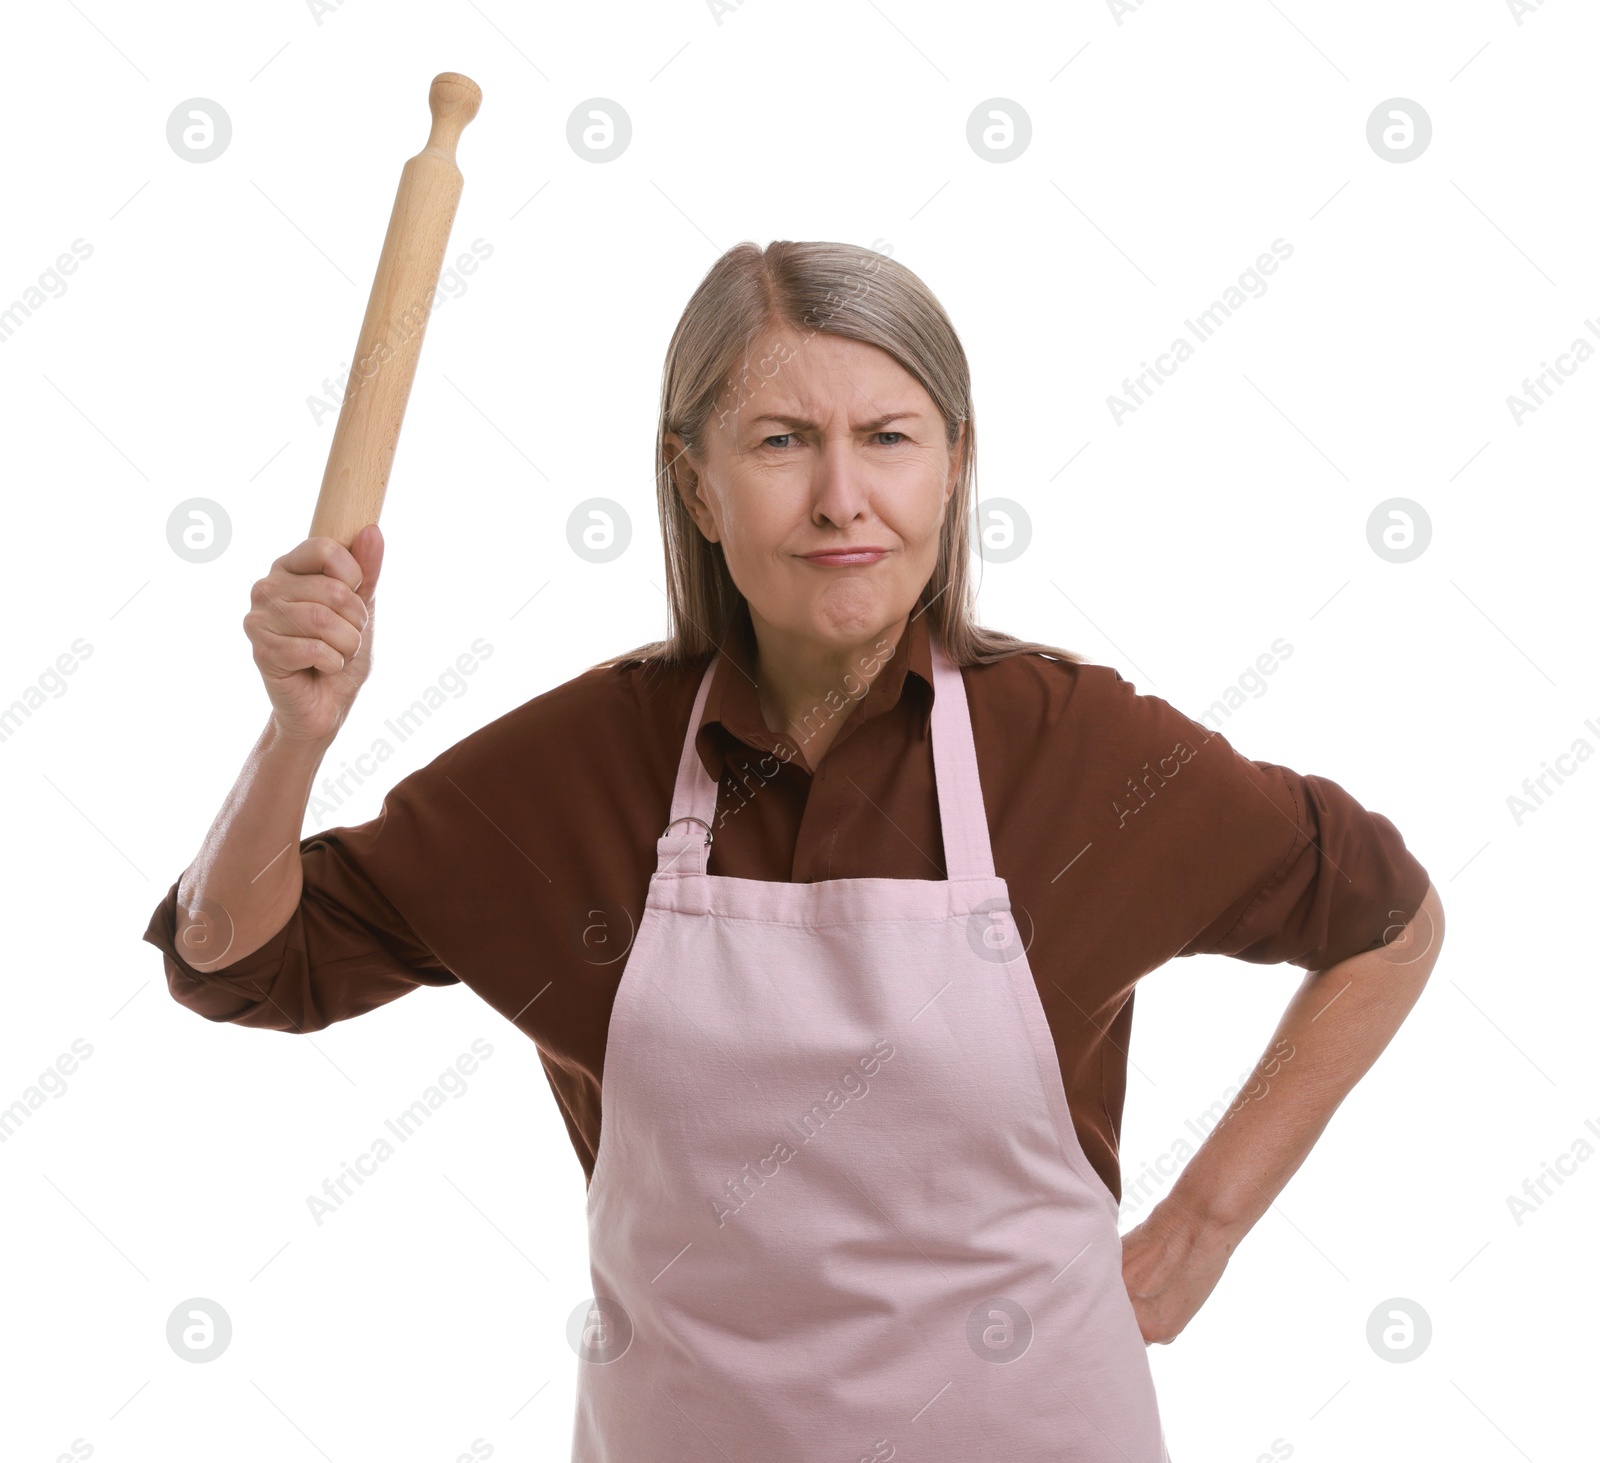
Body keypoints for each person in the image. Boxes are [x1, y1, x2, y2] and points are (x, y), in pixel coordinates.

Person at [144, 240, 1443, 1460]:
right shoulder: (576, 774)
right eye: (780, 442)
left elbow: (1389, 921)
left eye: (887, 439)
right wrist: (297, 735)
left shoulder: (1081, 755)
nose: (842, 497)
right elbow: (236, 962)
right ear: (695, 482)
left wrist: (1206, 1223)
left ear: (954, 464)